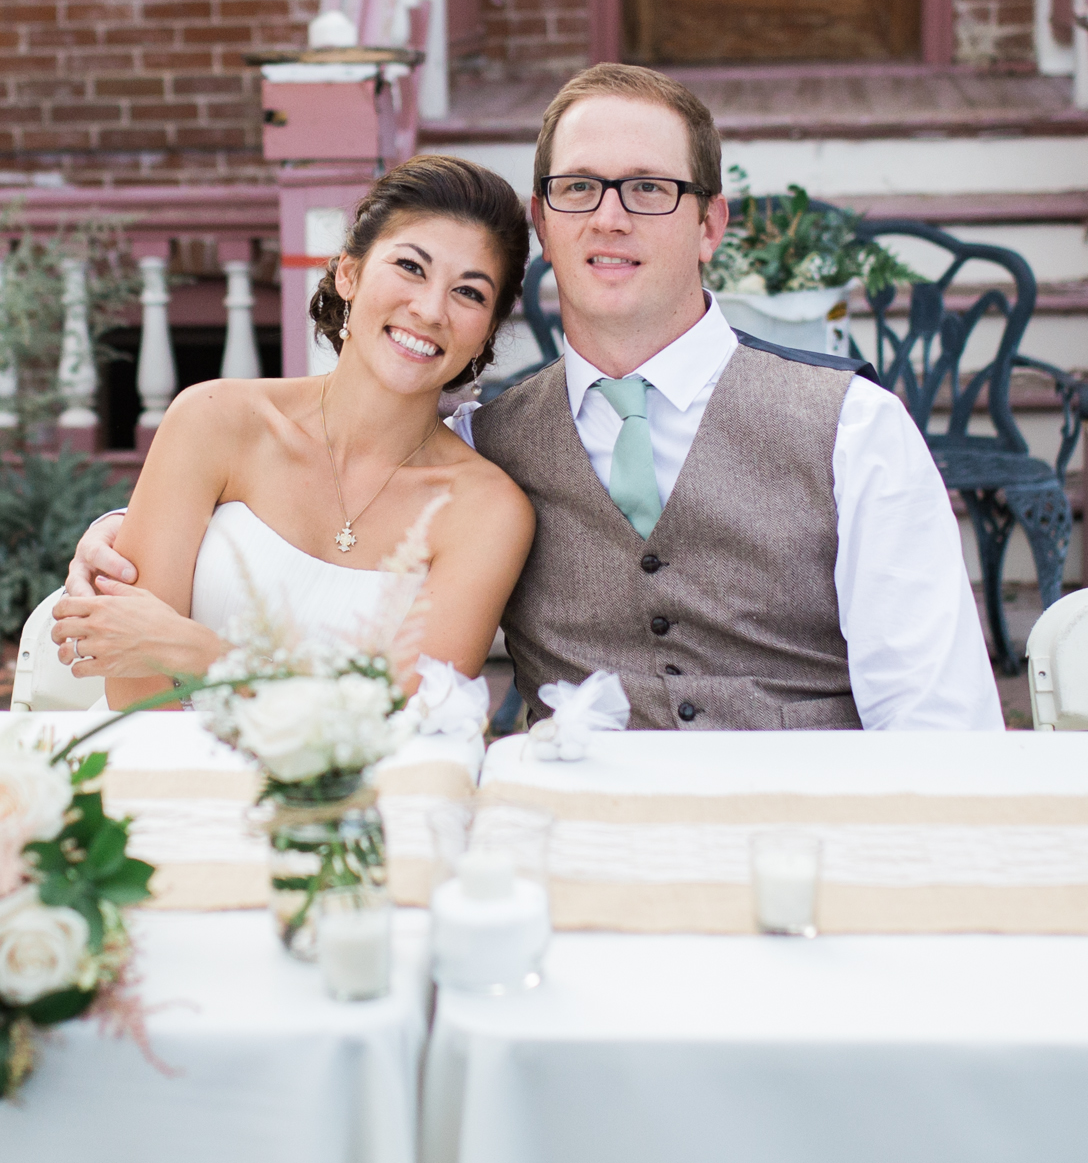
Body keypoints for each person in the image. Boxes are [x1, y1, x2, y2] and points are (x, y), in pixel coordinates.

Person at [67, 65, 1003, 732]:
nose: (610, 215)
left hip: (805, 836)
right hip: (568, 848)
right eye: (580, 187)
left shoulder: (852, 430)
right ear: (545, 223)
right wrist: (117, 537)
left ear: (711, 222)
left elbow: (937, 720)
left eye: (649, 189)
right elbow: (331, 494)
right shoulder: (491, 441)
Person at [50, 156, 535, 708]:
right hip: (162, 767)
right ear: (349, 273)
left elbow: (416, 716)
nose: (429, 309)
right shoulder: (213, 420)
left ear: (487, 333)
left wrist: (195, 651)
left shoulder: (487, 511)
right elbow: (132, 680)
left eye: (469, 293)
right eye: (410, 267)